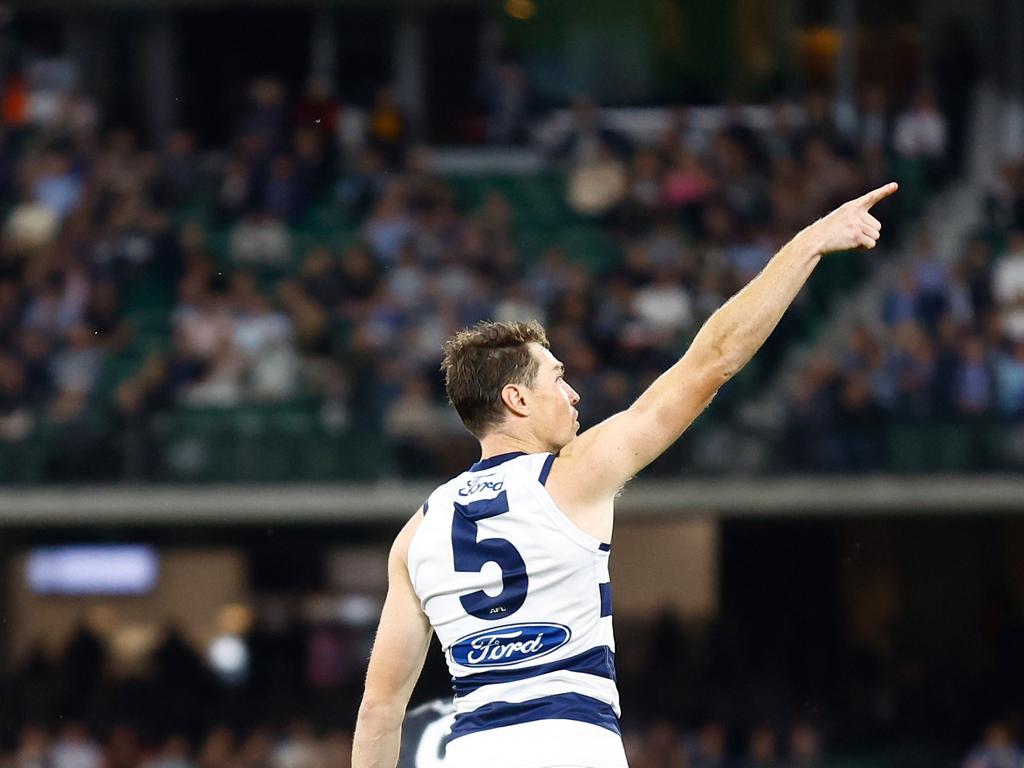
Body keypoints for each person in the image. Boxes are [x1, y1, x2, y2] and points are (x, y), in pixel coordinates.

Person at [351, 182, 898, 768]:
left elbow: (381, 710)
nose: (573, 392)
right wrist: (810, 243)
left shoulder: (416, 533)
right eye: (556, 379)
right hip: (572, 743)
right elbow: (711, 362)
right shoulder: (572, 474)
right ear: (517, 399)